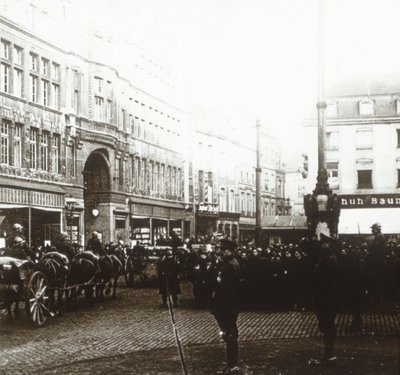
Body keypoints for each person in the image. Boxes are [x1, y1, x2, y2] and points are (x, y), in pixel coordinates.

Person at [308, 233, 339, 367]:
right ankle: (329, 354)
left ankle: (329, 355)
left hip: (326, 297)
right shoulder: (327, 257)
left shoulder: (328, 259)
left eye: (324, 243)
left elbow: (324, 281)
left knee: (327, 325)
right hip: (327, 297)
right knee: (327, 325)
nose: (321, 245)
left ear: (329, 245)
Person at [209, 249, 241, 374]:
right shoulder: (227, 266)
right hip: (225, 306)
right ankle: (231, 363)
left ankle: (232, 364)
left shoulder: (229, 268)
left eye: (224, 250)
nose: (221, 253)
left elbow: (223, 286)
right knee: (229, 333)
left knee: (230, 333)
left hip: (226, 306)